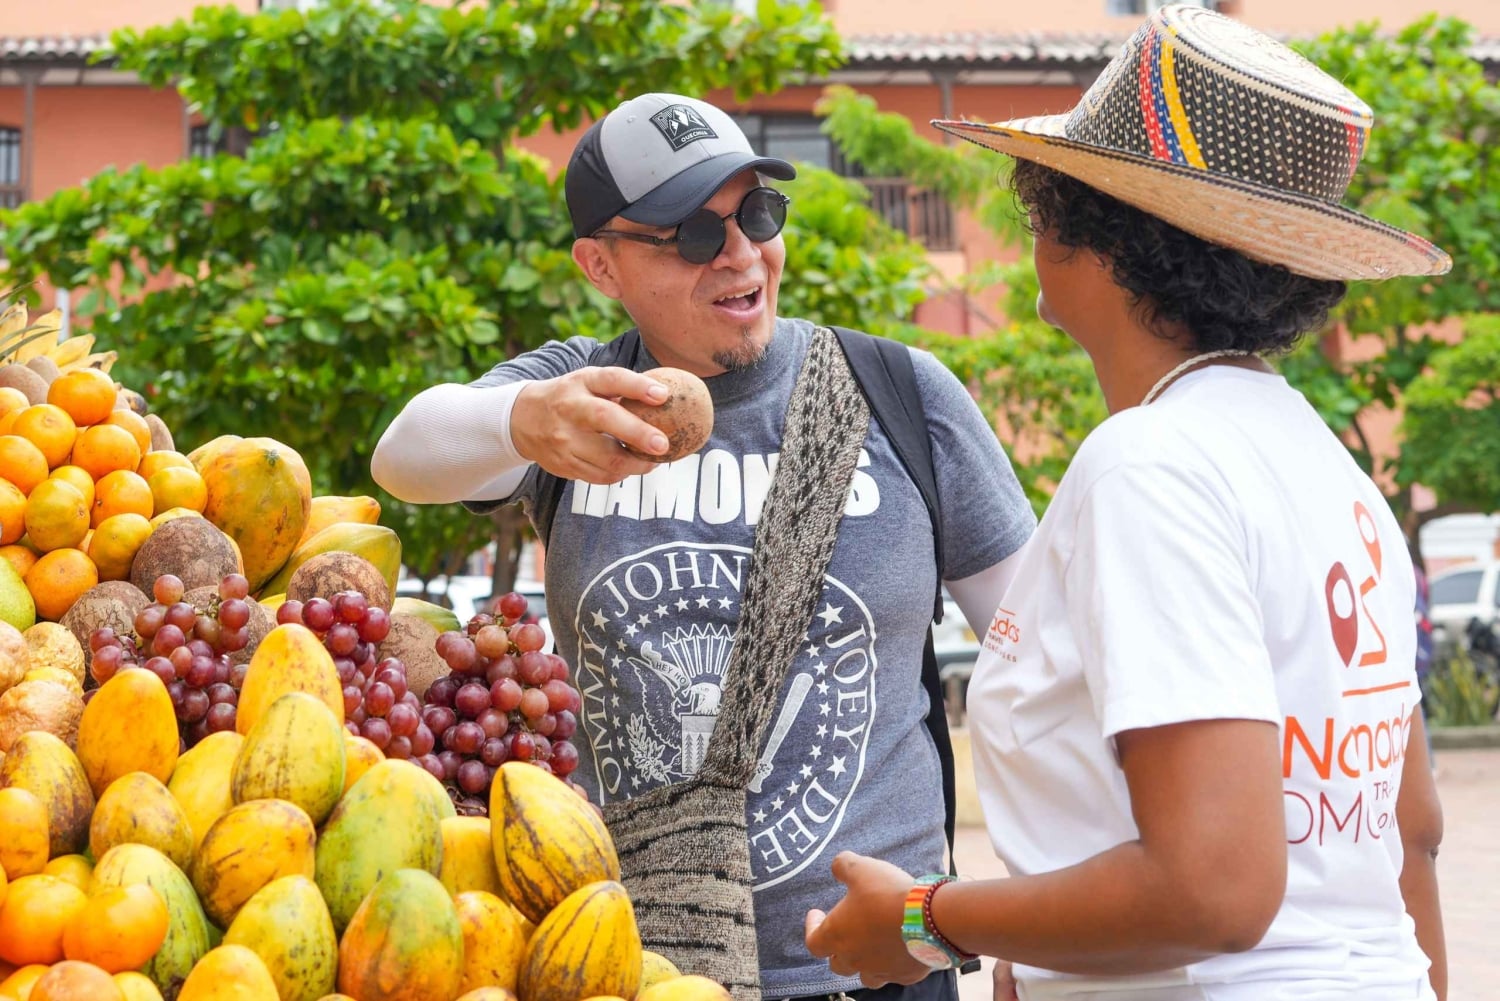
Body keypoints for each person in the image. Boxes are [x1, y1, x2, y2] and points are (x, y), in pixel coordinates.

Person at [803, 6, 1449, 1000]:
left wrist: (925, 918)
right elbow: (1410, 831)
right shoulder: (1328, 467)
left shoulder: (1151, 464)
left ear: (1091, 235)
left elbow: (1215, 889)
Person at [371, 91, 1036, 1001]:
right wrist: (525, 420)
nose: (741, 253)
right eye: (691, 232)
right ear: (600, 264)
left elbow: (1041, 668)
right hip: (630, 965)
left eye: (757, 213)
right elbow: (403, 454)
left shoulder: (901, 393)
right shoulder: (582, 398)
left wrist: (1023, 928)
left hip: (880, 969)